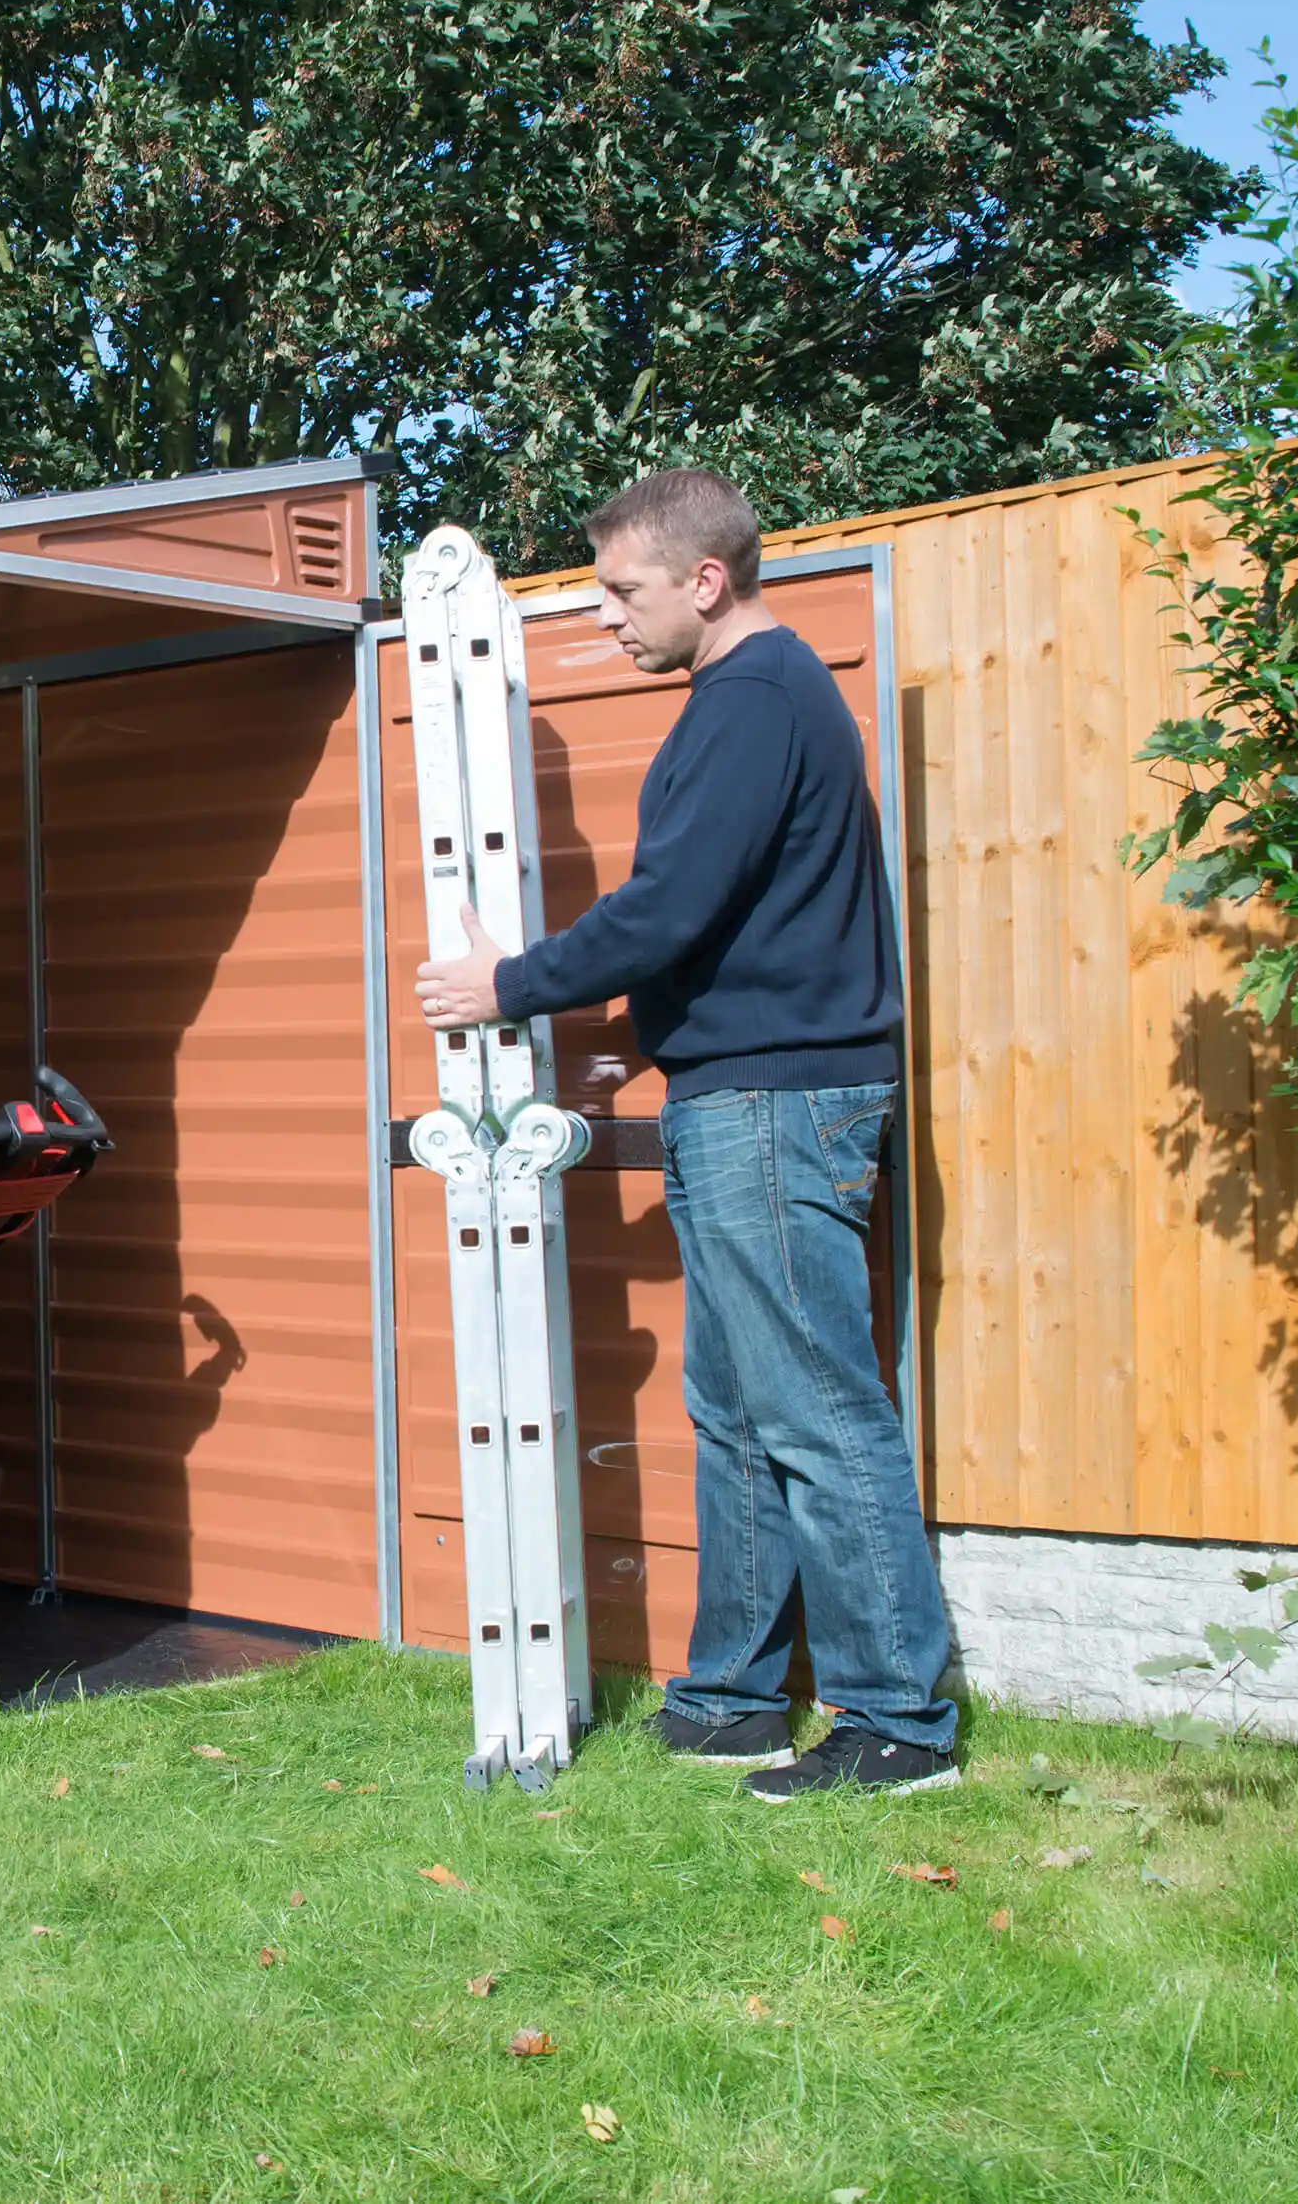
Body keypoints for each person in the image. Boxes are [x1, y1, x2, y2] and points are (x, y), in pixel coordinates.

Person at [413, 467, 958, 1800]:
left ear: (704, 580)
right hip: (742, 1094)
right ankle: (733, 1697)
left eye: (622, 589)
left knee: (819, 1405)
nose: (605, 616)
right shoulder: (756, 699)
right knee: (735, 1406)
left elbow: (667, 910)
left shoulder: (755, 701)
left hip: (776, 1097)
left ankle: (898, 1721)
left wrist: (509, 982)